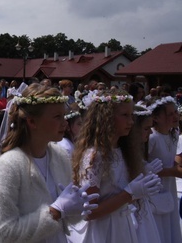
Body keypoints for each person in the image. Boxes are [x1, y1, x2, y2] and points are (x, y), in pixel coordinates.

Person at [0, 84, 97, 242]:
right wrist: (55, 212)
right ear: (32, 122)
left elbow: (67, 218)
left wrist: (77, 207)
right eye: (57, 117)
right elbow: (4, 232)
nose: (65, 123)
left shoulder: (60, 155)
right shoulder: (8, 165)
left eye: (64, 115)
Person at [70, 90, 162, 242]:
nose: (131, 122)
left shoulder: (124, 151)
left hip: (123, 226)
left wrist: (142, 187)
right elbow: (89, 212)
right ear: (106, 118)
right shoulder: (95, 156)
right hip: (104, 230)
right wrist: (129, 193)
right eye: (125, 115)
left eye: (131, 115)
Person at [147, 96, 182, 243]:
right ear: (156, 118)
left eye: (176, 112)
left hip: (170, 186)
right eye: (170, 114)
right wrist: (171, 172)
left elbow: (173, 157)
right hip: (155, 187)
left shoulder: (174, 134)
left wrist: (175, 166)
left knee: (171, 221)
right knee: (159, 224)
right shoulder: (152, 138)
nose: (175, 116)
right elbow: (143, 167)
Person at [131, 104, 163, 243]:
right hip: (131, 212)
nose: (150, 132)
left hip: (143, 209)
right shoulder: (125, 153)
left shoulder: (138, 149)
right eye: (146, 128)